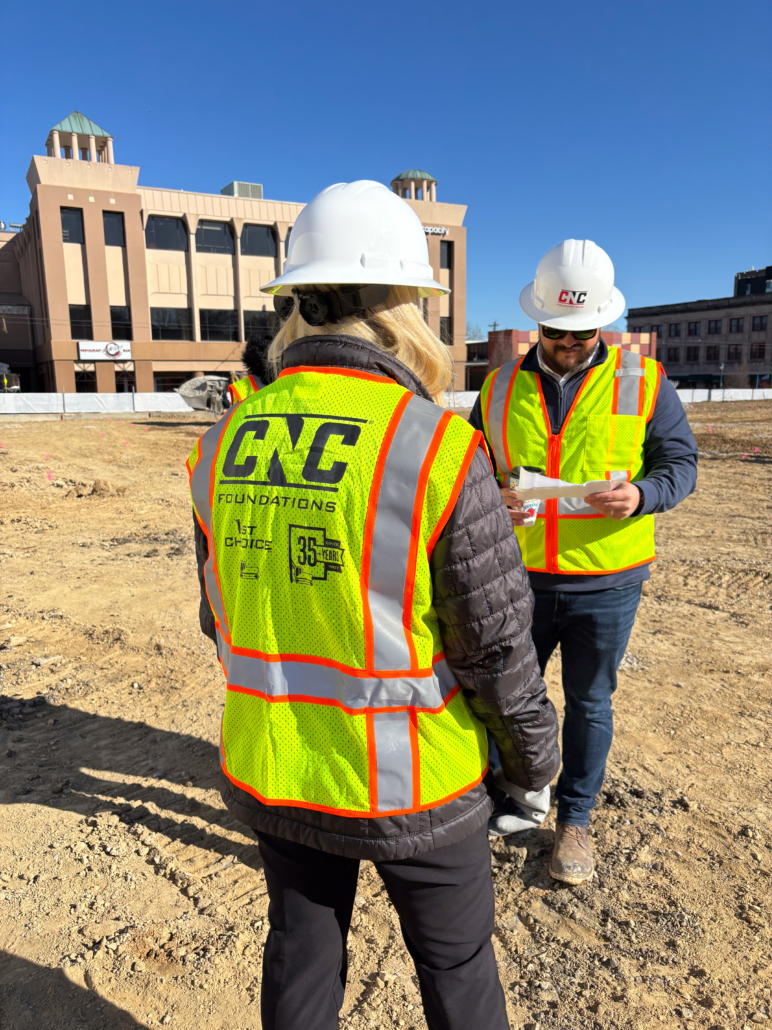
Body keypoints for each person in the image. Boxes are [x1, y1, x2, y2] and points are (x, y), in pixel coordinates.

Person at [188, 181, 560, 1030]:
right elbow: (496, 649)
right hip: (413, 781)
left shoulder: (221, 443)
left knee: (300, 956)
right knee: (458, 970)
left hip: (279, 765)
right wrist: (533, 765)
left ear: (294, 302)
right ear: (405, 309)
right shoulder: (432, 442)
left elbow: (221, 613)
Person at [470, 239, 698, 884]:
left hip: (608, 578)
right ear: (536, 321)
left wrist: (642, 494)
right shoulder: (499, 383)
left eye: (582, 331)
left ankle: (575, 820)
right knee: (508, 696)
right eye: (555, 331)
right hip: (519, 576)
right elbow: (471, 470)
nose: (568, 343)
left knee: (589, 701)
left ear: (604, 322)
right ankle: (515, 799)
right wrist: (494, 502)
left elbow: (681, 466)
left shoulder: (644, 381)